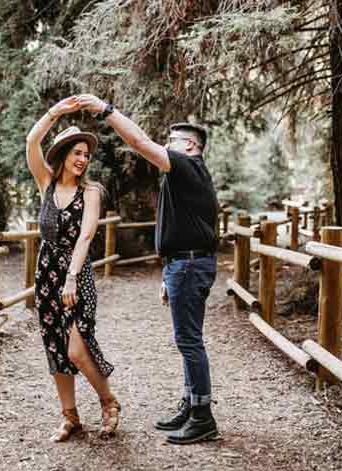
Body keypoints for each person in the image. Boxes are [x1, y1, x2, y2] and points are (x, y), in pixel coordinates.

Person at [75, 94, 219, 445]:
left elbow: (139, 142)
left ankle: (203, 418)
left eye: (170, 143)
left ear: (189, 145)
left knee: (189, 341)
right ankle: (191, 406)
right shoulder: (188, 176)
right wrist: (170, 271)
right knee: (187, 341)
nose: (163, 149)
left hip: (188, 265)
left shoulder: (188, 166)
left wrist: (106, 111)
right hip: (183, 264)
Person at [25, 96, 120, 442]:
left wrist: (71, 278)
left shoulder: (90, 192)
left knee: (77, 349)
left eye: (86, 155)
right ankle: (70, 417)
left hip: (76, 276)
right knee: (54, 346)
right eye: (77, 153)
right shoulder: (46, 184)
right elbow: (31, 141)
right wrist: (57, 112)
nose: (82, 159)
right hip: (45, 274)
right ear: (64, 155)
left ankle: (108, 402)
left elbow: (86, 235)